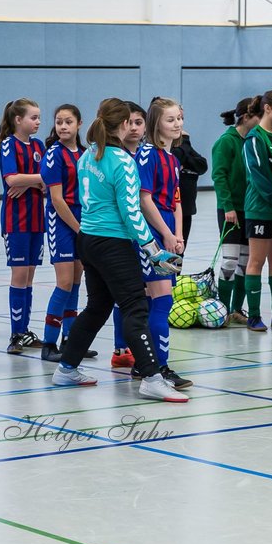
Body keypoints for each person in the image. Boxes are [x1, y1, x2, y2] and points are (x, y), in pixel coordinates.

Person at [52, 98, 189, 404]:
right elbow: (131, 213)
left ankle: (66, 367)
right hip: (112, 244)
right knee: (135, 307)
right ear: (124, 125)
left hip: (88, 241)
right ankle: (152, 377)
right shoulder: (123, 161)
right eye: (131, 121)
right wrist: (153, 249)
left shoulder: (88, 156)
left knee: (98, 306)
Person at [133, 98, 191, 390]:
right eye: (171, 120)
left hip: (167, 231)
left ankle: (143, 361)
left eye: (179, 118)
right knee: (161, 298)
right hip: (151, 234)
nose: (178, 124)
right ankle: (159, 367)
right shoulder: (147, 154)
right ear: (156, 124)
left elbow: (176, 200)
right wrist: (164, 234)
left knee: (154, 297)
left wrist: (178, 233)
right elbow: (144, 199)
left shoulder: (174, 158)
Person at [0, 98, 46, 354]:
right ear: (18, 120)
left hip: (38, 219)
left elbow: (50, 180)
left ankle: (25, 331)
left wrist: (31, 182)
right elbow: (11, 179)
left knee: (29, 277)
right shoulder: (9, 145)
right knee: (19, 275)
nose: (38, 122)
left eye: (39, 117)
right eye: (33, 117)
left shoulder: (38, 145)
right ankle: (16, 334)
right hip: (16, 220)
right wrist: (36, 179)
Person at [39, 104, 85, 363]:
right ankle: (48, 342)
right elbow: (56, 199)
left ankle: (71, 340)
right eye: (59, 122)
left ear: (79, 124)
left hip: (82, 219)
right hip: (62, 222)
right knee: (64, 282)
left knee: (77, 282)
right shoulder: (53, 154)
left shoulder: (86, 154)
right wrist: (79, 230)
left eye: (68, 122)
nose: (63, 127)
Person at [242, 91, 272, 332]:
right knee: (256, 261)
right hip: (260, 210)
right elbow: (258, 176)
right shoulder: (254, 138)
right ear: (268, 108)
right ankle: (253, 316)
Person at [212, 98, 261, 325]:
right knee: (230, 261)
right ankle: (221, 309)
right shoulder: (226, 142)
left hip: (249, 210)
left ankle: (236, 309)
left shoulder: (253, 140)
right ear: (246, 117)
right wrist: (228, 206)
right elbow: (219, 176)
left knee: (245, 261)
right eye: (258, 115)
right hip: (231, 210)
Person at [109, 103, 147, 368]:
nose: (134, 128)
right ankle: (121, 348)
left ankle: (144, 344)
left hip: (145, 232)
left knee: (148, 293)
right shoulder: (115, 156)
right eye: (130, 122)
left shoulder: (148, 155)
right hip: (122, 235)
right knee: (122, 295)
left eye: (139, 122)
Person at [172, 132, 208, 244]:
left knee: (180, 250)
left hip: (186, 207)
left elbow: (202, 165)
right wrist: (185, 140)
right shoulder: (182, 145)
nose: (178, 124)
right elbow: (176, 157)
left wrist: (185, 160)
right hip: (170, 207)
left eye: (180, 119)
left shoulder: (184, 147)